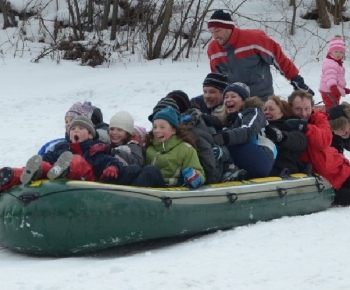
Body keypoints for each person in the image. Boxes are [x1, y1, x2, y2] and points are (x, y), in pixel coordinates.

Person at [0, 116, 133, 192]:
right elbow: (47, 158)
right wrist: (39, 164)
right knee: (44, 165)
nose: (76, 131)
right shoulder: (63, 148)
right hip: (57, 175)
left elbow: (111, 161)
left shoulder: (96, 150)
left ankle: (64, 168)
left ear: (90, 135)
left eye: (81, 129)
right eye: (73, 129)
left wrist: (112, 168)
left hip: (86, 181)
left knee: (76, 161)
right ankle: (10, 176)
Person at [207, 9, 314, 102]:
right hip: (233, 102)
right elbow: (217, 78)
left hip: (261, 99)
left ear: (229, 28)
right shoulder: (213, 49)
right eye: (211, 32)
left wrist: (296, 79)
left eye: (217, 30)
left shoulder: (253, 39)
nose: (215, 36)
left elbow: (278, 58)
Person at [286, 90, 350, 205]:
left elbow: (324, 141)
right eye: (298, 109)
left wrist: (306, 128)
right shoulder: (285, 123)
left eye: (307, 109)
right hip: (320, 180)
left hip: (339, 171)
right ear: (291, 107)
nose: (303, 113)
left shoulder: (320, 119)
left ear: (312, 107)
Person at [212, 83, 276, 179]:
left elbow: (248, 131)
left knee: (228, 140)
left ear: (244, 100)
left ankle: (228, 168)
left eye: (233, 96)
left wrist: (223, 137)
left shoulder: (254, 111)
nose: (228, 99)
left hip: (262, 157)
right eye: (226, 97)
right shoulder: (227, 120)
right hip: (243, 161)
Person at [145, 106, 205, 188]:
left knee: (150, 170)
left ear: (173, 130)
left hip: (169, 189)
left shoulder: (186, 149)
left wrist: (194, 176)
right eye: (154, 127)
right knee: (133, 169)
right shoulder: (149, 147)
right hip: (147, 185)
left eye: (162, 127)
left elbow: (199, 172)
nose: (157, 130)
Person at [264, 95, 308, 176]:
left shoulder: (291, 126)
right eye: (265, 109)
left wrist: (281, 136)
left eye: (271, 109)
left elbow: (298, 141)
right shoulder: (260, 127)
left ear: (282, 112)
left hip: (281, 168)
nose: (266, 112)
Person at [319, 36, 350, 110]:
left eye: (341, 52)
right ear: (330, 52)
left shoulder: (336, 63)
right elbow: (330, 77)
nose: (338, 54)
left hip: (333, 90)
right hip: (329, 90)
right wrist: (333, 88)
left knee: (335, 106)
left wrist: (342, 89)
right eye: (336, 51)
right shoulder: (330, 63)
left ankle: (333, 119)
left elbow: (337, 78)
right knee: (332, 108)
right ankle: (329, 120)